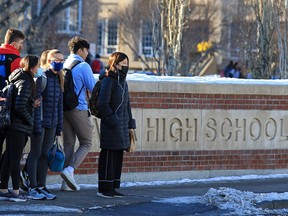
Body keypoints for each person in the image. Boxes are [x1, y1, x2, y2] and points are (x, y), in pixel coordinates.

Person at [25, 49, 64, 200]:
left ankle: (42, 186)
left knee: (45, 155)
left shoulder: (59, 79)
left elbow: (60, 106)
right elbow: (36, 104)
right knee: (35, 154)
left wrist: (59, 126)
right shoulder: (42, 78)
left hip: (52, 124)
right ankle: (32, 187)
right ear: (49, 61)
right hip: (40, 123)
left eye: (62, 60)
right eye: (57, 60)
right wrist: (36, 125)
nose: (60, 62)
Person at [0, 55, 39, 202]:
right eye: (37, 66)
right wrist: (30, 121)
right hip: (18, 126)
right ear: (33, 67)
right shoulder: (25, 82)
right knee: (15, 159)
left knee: (9, 157)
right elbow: (20, 107)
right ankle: (16, 191)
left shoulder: (17, 79)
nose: (39, 68)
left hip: (12, 125)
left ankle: (3, 188)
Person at [97, 52, 136, 198]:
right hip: (111, 125)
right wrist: (113, 119)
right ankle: (103, 188)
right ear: (115, 64)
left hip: (122, 125)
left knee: (118, 156)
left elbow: (127, 105)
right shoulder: (109, 80)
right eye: (123, 63)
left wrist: (130, 124)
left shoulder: (123, 82)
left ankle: (112, 186)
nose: (126, 66)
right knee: (108, 155)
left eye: (127, 63)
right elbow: (103, 103)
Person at [60, 36, 96, 191]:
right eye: (86, 50)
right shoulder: (83, 66)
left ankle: (65, 183)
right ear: (80, 50)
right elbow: (94, 89)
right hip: (78, 108)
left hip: (64, 108)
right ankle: (70, 170)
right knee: (87, 142)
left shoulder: (64, 63)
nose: (87, 54)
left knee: (68, 144)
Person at [19, 49, 51, 192]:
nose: (39, 69)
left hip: (40, 121)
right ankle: (30, 186)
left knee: (41, 153)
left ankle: (38, 185)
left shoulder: (39, 78)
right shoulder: (30, 81)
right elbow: (21, 104)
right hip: (30, 123)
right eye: (37, 66)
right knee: (32, 154)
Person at [0, 28, 25, 170]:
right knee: (11, 147)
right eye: (21, 43)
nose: (22, 46)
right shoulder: (17, 60)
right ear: (15, 44)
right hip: (9, 108)